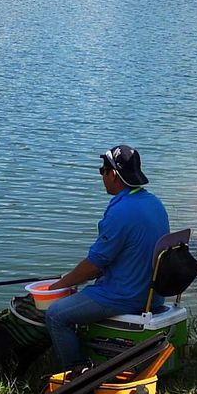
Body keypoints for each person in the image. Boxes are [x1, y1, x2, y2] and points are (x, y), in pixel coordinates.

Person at [44, 144, 170, 371]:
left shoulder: (120, 212)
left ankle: (75, 374)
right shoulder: (154, 203)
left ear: (113, 174)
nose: (101, 175)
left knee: (56, 315)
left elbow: (94, 266)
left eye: (103, 170)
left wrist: (59, 285)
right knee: (77, 295)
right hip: (152, 296)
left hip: (124, 296)